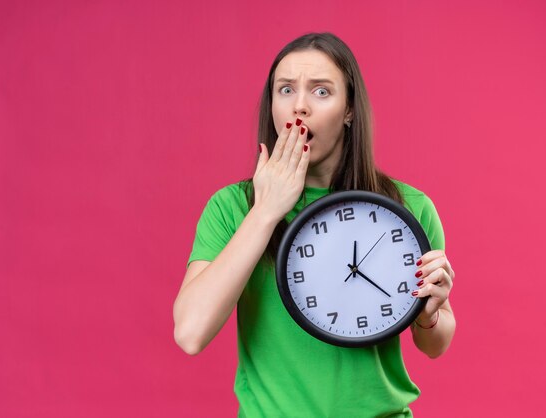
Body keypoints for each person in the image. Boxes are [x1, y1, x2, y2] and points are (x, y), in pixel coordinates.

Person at [173, 32, 456, 418]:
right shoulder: (233, 208)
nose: (299, 107)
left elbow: (435, 344)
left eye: (321, 92)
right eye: (285, 89)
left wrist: (429, 313)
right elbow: (190, 333)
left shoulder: (407, 209)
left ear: (349, 109)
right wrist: (266, 211)